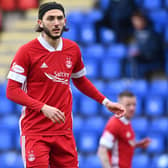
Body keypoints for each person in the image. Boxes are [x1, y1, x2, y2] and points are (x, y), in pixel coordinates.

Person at [6, 2, 126, 168]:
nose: (56, 23)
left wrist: (105, 102)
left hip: (63, 131)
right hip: (35, 132)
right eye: (51, 19)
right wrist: (43, 107)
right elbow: (12, 91)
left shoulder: (72, 49)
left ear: (65, 21)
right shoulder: (27, 52)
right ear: (40, 23)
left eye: (59, 18)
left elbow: (80, 80)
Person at [97, 91, 151, 168]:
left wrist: (137, 145)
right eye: (128, 105)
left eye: (134, 105)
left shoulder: (126, 123)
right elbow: (102, 151)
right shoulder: (114, 123)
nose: (132, 108)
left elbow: (120, 145)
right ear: (120, 105)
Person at [127, 10, 165, 79]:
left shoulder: (153, 33)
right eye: (134, 21)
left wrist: (140, 52)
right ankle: (130, 80)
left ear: (143, 20)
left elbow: (154, 50)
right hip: (140, 59)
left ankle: (137, 80)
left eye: (137, 21)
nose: (135, 23)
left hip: (152, 61)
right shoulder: (134, 33)